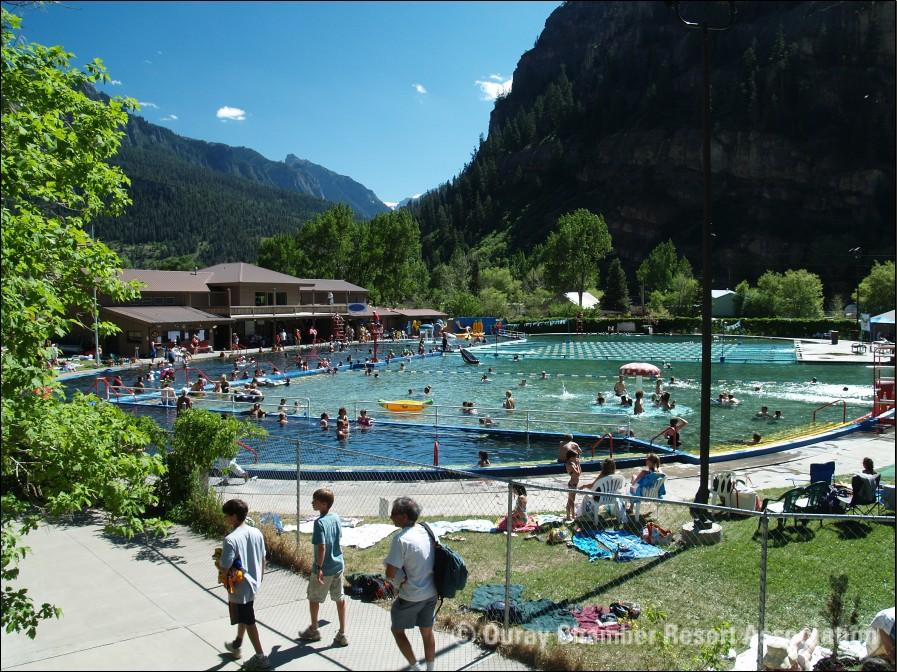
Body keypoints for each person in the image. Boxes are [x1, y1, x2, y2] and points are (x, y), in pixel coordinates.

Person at [384, 497, 437, 672]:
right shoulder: (427, 529)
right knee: (427, 632)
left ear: (404, 517)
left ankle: (415, 667)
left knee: (397, 630)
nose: (391, 516)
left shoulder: (400, 539)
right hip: (431, 593)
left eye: (394, 514)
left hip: (411, 596)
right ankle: (431, 668)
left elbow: (390, 573)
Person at [220, 498, 269, 670]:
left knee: (248, 620)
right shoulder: (256, 532)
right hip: (254, 583)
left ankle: (260, 656)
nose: (225, 519)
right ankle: (237, 645)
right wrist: (259, 579)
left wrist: (224, 578)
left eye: (226, 516)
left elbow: (225, 566)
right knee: (244, 614)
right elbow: (263, 559)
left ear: (233, 517)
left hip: (240, 587)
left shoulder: (231, 539)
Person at [298, 488, 348, 647]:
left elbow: (321, 547)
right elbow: (338, 537)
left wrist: (319, 568)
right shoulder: (335, 517)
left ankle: (314, 629)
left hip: (324, 568)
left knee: (314, 598)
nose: (312, 502)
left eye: (315, 501)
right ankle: (342, 633)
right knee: (339, 597)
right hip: (338, 565)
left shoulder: (319, 523)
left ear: (324, 504)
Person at [565, 450, 581, 521]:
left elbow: (580, 473)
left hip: (574, 484)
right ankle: (568, 516)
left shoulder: (573, 463)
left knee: (572, 501)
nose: (577, 458)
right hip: (572, 484)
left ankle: (573, 515)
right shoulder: (570, 464)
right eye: (576, 456)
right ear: (571, 457)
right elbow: (577, 474)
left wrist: (578, 464)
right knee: (570, 501)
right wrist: (578, 463)